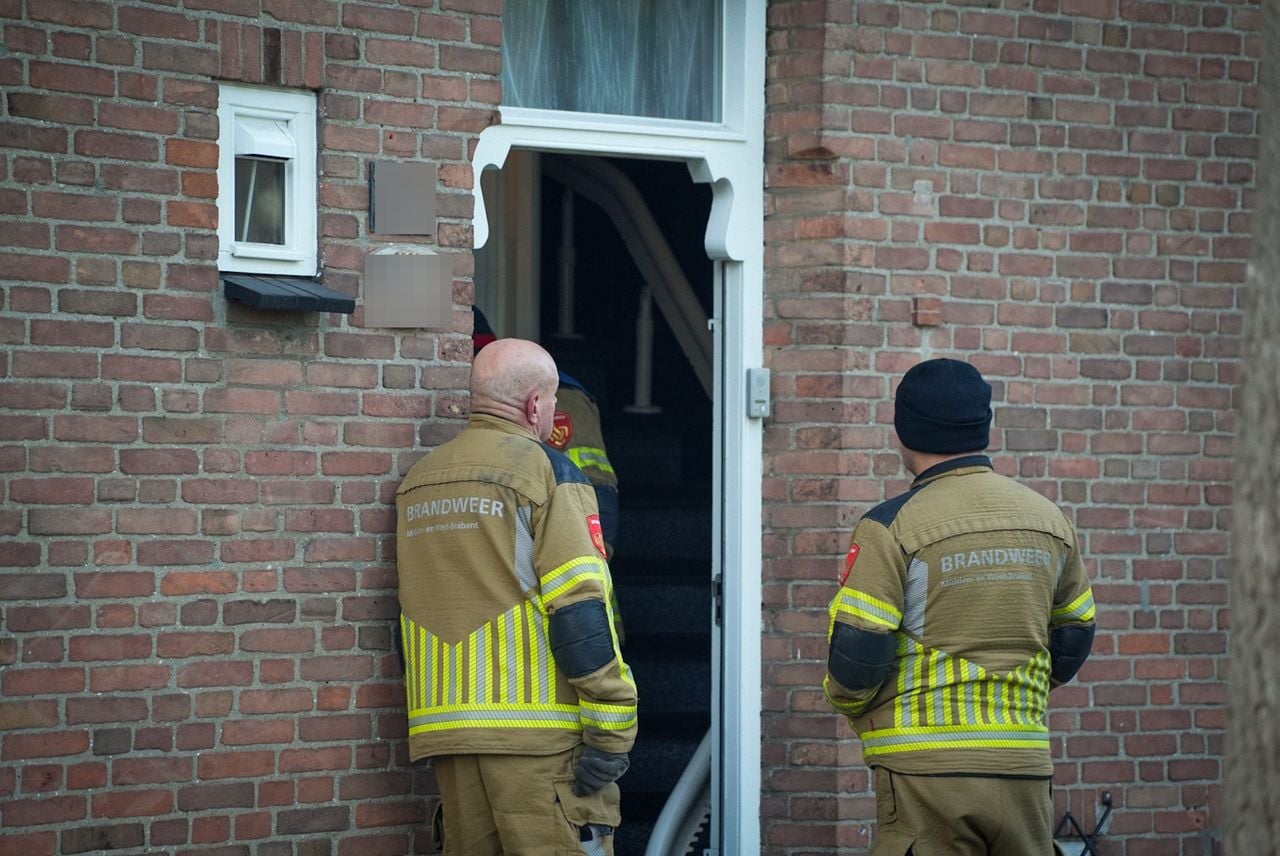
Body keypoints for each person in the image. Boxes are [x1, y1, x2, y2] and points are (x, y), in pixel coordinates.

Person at [823, 358, 1096, 856]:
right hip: (1024, 766)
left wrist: (852, 707)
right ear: (984, 426)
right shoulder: (1049, 519)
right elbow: (1076, 631)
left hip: (924, 771)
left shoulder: (890, 526)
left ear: (903, 429)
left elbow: (859, 654)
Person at [396, 337, 638, 855]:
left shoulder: (420, 481)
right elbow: (579, 609)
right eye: (551, 404)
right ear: (536, 405)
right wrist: (613, 728)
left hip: (448, 733)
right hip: (539, 740)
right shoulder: (548, 471)